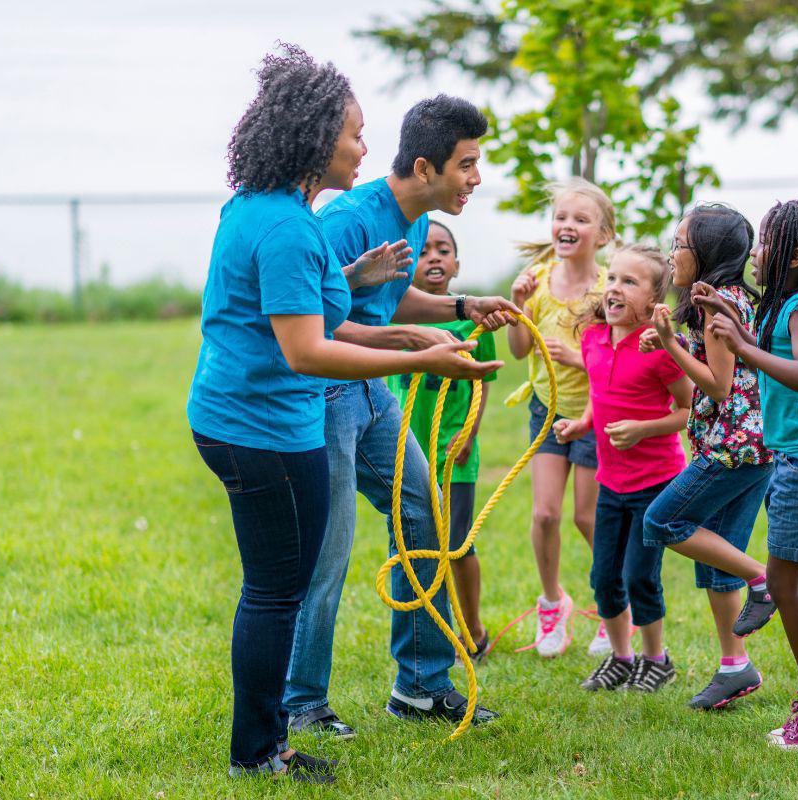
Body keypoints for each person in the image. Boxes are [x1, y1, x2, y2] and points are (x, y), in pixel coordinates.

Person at [187, 46, 500, 783]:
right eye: (355, 134)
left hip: (259, 413)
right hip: (271, 420)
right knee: (286, 583)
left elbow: (326, 304)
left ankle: (411, 686)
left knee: (388, 524)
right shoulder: (299, 225)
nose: (365, 147)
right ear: (313, 136)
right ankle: (273, 738)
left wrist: (407, 300)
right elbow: (308, 349)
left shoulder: (271, 209)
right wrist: (421, 355)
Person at [282, 94, 519, 738]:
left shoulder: (412, 218)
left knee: (423, 512)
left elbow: (394, 298)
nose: (476, 178)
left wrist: (464, 307)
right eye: (467, 165)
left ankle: (420, 685)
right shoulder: (347, 221)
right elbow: (319, 326)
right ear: (425, 166)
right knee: (327, 552)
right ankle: (299, 702)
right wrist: (415, 348)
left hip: (372, 395)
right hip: (328, 392)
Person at [703, 200, 798, 750]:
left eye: (765, 242)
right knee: (797, 581)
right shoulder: (787, 303)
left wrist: (741, 345)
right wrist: (729, 311)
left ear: (792, 255)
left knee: (787, 585)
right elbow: (774, 354)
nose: (756, 252)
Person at [640, 204, 776, 710]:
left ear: (708, 253)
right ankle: (734, 666)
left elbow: (719, 387)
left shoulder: (717, 308)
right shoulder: (726, 299)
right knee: (718, 562)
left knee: (662, 521)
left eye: (680, 244)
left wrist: (673, 348)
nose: (672, 253)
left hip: (732, 449)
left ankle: (765, 580)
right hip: (753, 447)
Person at [553, 245, 691, 692]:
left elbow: (690, 409)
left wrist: (643, 430)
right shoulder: (593, 337)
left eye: (629, 282)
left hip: (656, 483)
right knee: (604, 577)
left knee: (638, 576)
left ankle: (657, 659)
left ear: (653, 303)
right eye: (612, 278)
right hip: (610, 482)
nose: (614, 288)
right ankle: (621, 657)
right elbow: (600, 393)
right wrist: (581, 425)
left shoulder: (659, 348)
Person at [505, 178, 617, 658]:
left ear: (603, 235)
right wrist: (516, 304)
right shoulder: (538, 279)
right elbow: (518, 350)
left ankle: (616, 610)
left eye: (580, 219)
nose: (566, 225)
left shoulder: (610, 285)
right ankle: (553, 604)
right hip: (545, 412)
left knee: (587, 518)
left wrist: (576, 359)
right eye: (561, 217)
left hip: (595, 413)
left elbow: (620, 356)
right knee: (545, 513)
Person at [389, 220, 497, 659]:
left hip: (454, 449)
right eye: (425, 250)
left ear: (456, 264)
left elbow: (482, 381)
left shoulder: (475, 325)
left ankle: (473, 627)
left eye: (443, 249)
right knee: (416, 543)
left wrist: (468, 432)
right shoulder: (393, 315)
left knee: (456, 543)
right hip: (405, 446)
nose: (434, 257)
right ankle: (430, 629)